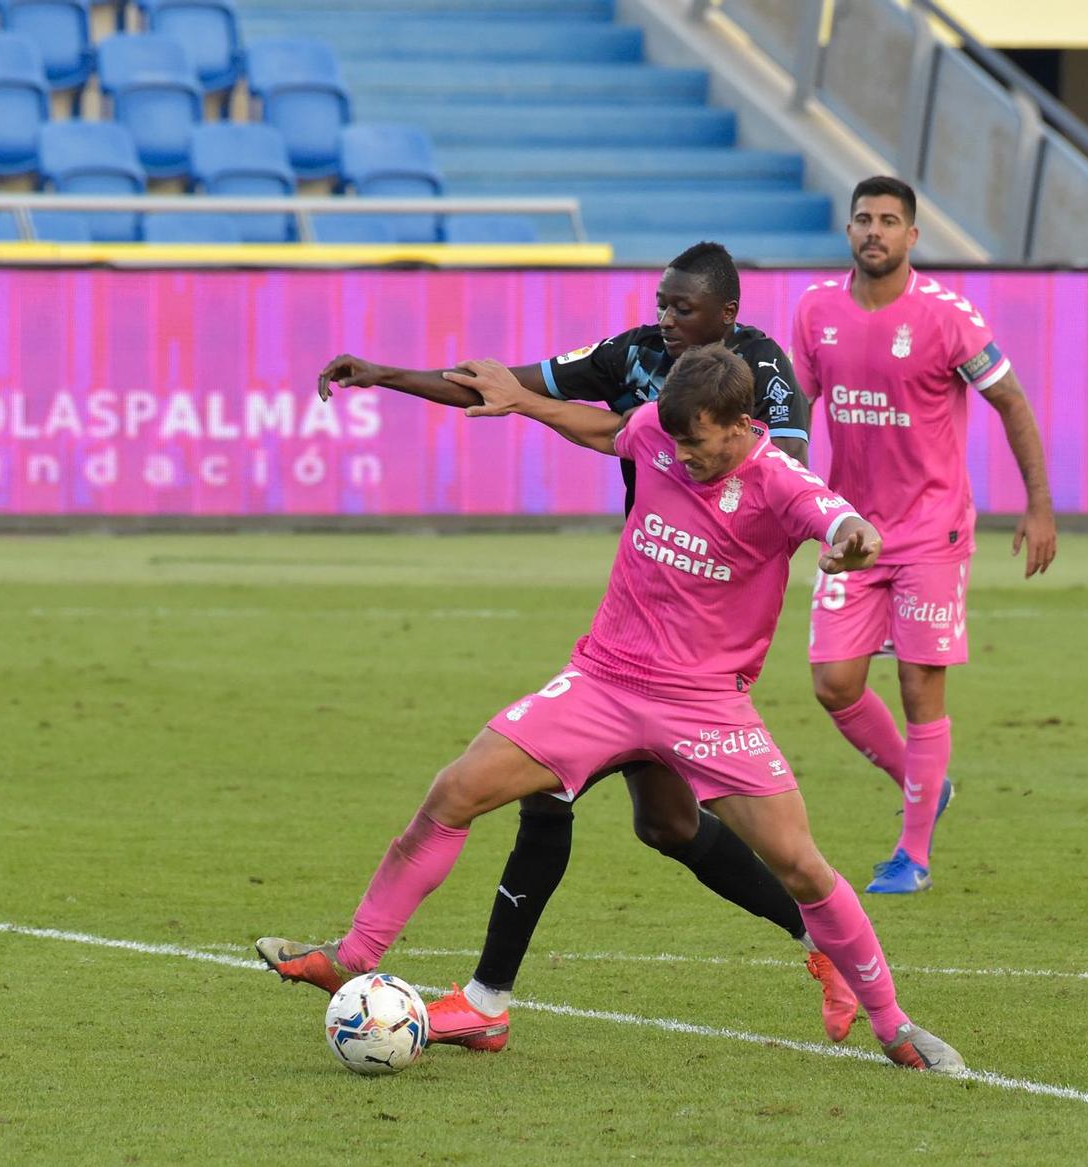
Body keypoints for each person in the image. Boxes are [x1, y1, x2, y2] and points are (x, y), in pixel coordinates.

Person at [260, 345, 965, 1074]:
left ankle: (894, 1025)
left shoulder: (779, 481)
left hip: (706, 707)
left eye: (695, 442)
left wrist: (854, 545)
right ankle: (354, 956)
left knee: (801, 866)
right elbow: (606, 429)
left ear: (738, 425)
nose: (679, 454)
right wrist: (524, 400)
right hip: (603, 681)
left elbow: (843, 521)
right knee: (455, 790)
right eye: (675, 439)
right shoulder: (659, 432)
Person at [311, 243, 853, 1052]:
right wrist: (387, 374)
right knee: (666, 825)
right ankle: (822, 947)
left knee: (545, 790)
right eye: (663, 304)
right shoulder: (633, 354)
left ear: (726, 317)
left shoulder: (763, 375)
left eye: (683, 309)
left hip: (704, 635)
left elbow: (784, 478)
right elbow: (505, 387)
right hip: (641, 612)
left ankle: (486, 998)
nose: (665, 320)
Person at [792, 176, 1058, 896]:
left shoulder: (949, 319)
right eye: (863, 219)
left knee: (918, 685)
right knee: (833, 683)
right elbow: (796, 413)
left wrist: (1038, 504)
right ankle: (924, 782)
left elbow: (1010, 400)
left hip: (931, 533)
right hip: (851, 532)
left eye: (888, 221)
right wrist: (790, 501)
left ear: (913, 237)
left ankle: (913, 853)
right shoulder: (816, 311)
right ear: (849, 232)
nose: (874, 231)